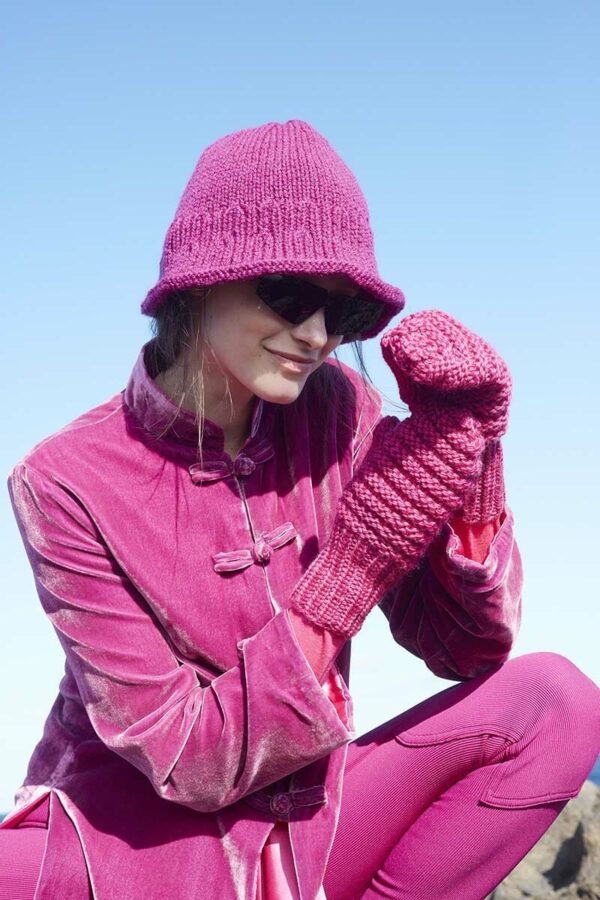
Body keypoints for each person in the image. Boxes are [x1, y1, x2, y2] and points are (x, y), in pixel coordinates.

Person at [1, 118, 599, 900]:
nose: (316, 336)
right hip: (129, 846)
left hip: (307, 831)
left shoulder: (342, 413)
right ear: (200, 281)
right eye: (291, 297)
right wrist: (350, 574)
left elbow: (466, 652)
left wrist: (475, 459)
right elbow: (188, 757)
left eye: (342, 316)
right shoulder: (64, 479)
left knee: (556, 702)